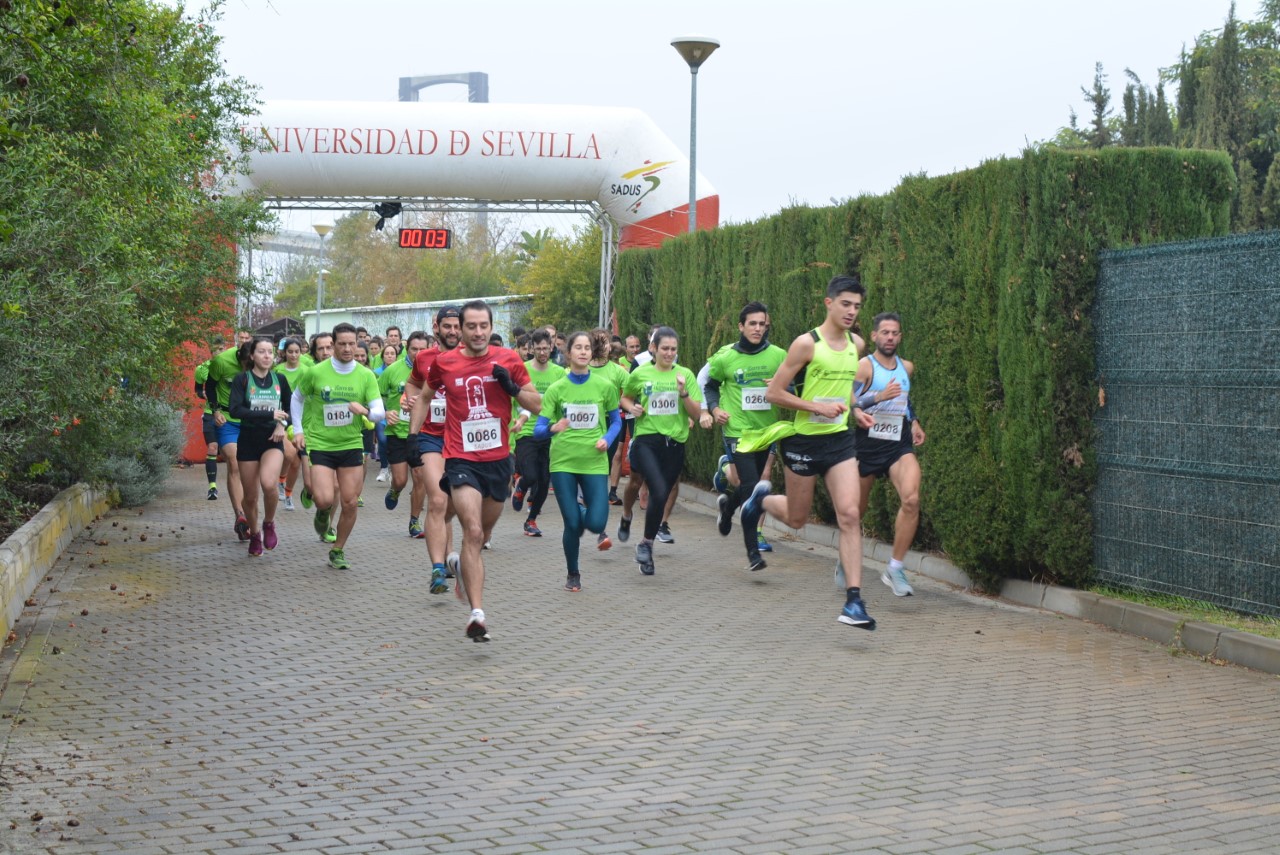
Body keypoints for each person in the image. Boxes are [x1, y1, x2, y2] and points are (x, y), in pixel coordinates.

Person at [737, 275, 877, 629]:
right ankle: (758, 503)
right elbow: (775, 394)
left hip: (839, 441)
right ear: (828, 303)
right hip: (803, 442)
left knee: (849, 514)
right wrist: (814, 406)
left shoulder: (856, 344)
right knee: (798, 519)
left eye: (857, 306)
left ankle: (854, 601)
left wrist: (855, 408)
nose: (851, 311)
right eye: (845, 304)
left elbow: (843, 390)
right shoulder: (806, 344)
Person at [416, 300, 540, 641]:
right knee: (471, 531)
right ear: (462, 329)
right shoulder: (445, 362)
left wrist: (512, 389)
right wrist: (414, 437)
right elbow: (425, 396)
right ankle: (477, 614)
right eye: (470, 326)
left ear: (490, 325)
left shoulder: (509, 359)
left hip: (499, 460)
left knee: (482, 535)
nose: (477, 332)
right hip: (461, 458)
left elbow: (537, 403)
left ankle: (459, 568)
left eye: (483, 325)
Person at [618, 326, 712, 575]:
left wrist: (683, 394)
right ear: (654, 349)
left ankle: (646, 545)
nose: (670, 354)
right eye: (665, 349)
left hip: (674, 444)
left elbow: (695, 413)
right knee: (644, 485)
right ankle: (627, 515)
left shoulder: (685, 375)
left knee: (661, 494)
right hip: (646, 440)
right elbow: (625, 398)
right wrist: (633, 408)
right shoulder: (641, 373)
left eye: (673, 349)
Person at [291, 323, 384, 570]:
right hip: (321, 443)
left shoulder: (365, 375)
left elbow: (378, 412)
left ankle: (338, 549)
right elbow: (297, 398)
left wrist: (363, 410)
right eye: (341, 343)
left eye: (351, 343)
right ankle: (322, 512)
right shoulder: (316, 372)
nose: (347, 348)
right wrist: (298, 430)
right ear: (333, 345)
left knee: (350, 502)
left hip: (351, 443)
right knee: (323, 498)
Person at [534, 331, 622, 591]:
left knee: (596, 523)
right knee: (572, 523)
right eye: (578, 348)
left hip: (594, 461)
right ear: (567, 353)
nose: (583, 352)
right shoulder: (556, 389)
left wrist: (607, 438)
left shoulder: (604, 387)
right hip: (563, 463)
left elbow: (617, 421)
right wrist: (553, 427)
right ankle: (573, 573)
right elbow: (538, 429)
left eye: (587, 348)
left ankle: (584, 513)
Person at [706, 301, 787, 571]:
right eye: (752, 323)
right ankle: (753, 553)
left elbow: (798, 386)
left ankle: (728, 506)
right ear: (741, 326)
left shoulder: (779, 355)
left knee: (753, 488)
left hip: (767, 431)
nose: (758, 328)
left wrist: (781, 384)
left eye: (762, 324)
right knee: (754, 487)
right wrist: (715, 408)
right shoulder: (726, 357)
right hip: (737, 431)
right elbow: (710, 385)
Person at [854, 312, 926, 597]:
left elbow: (905, 399)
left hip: (898, 442)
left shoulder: (906, 367)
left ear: (900, 337)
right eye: (885, 332)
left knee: (911, 499)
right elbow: (850, 403)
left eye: (895, 333)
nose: (890, 338)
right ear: (874, 336)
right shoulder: (864, 367)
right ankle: (846, 557)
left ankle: (895, 568)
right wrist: (875, 399)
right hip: (866, 444)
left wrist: (915, 420)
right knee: (855, 512)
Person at [404, 306, 463, 595]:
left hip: (463, 439)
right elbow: (414, 383)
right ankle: (438, 568)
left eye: (457, 326)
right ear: (436, 326)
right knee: (438, 500)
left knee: (452, 501)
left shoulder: (474, 358)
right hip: (431, 438)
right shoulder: (425, 358)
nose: (453, 331)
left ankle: (450, 554)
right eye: (447, 326)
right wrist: (411, 400)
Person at [227, 337, 291, 556]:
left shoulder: (280, 380)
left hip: (272, 439)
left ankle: (269, 523)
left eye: (270, 352)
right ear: (252, 355)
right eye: (262, 352)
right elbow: (235, 410)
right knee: (251, 496)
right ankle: (255, 533)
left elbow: (290, 410)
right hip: (247, 439)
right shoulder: (242, 380)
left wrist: (282, 425)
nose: (266, 356)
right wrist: (268, 413)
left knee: (269, 483)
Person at [510, 329, 565, 537]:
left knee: (544, 480)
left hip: (550, 433)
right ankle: (522, 484)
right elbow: (513, 397)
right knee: (531, 475)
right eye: (538, 348)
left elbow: (563, 399)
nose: (542, 352)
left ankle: (531, 520)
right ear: (531, 348)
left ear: (552, 347)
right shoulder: (521, 370)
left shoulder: (559, 373)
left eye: (546, 348)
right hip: (526, 431)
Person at [380, 330, 430, 537]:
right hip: (397, 433)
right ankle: (395, 490)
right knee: (400, 480)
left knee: (420, 477)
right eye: (414, 349)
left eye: (423, 349)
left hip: (421, 433)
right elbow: (375, 396)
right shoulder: (393, 370)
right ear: (406, 349)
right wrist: (385, 412)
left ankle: (414, 521)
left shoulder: (433, 370)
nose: (418, 354)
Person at [204, 342, 251, 540]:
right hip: (227, 418)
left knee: (251, 469)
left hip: (251, 420)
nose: (244, 370)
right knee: (234, 462)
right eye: (243, 365)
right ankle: (239, 515)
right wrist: (215, 410)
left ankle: (251, 513)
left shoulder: (266, 363)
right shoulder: (221, 362)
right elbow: (210, 387)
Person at [274, 338, 308, 510]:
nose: (294, 355)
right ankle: (281, 478)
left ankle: (288, 493)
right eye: (290, 351)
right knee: (290, 455)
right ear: (284, 353)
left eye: (297, 351)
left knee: (297, 462)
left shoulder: (306, 371)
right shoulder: (277, 371)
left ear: (301, 352)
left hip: (302, 418)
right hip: (283, 417)